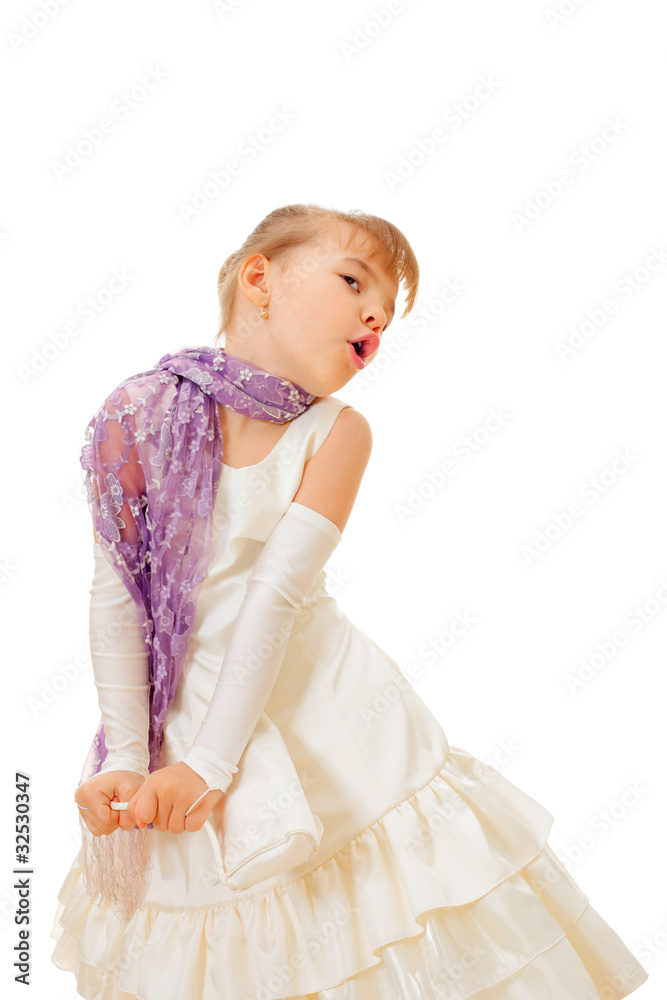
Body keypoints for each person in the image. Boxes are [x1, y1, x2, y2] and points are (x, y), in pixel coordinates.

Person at [50, 204, 649, 999]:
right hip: (178, 720)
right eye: (353, 281)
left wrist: (209, 766)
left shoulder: (335, 431)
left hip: (325, 718)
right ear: (259, 278)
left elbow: (272, 596)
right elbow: (118, 591)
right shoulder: (135, 414)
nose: (375, 316)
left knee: (378, 920)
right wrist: (129, 758)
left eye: (388, 312)